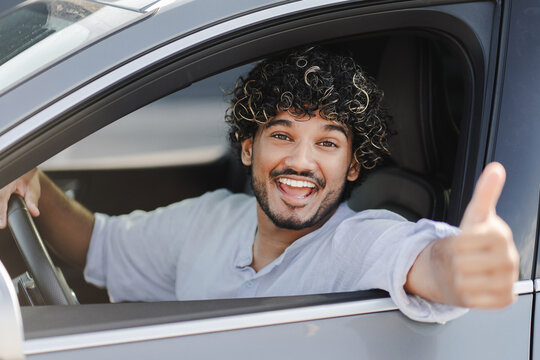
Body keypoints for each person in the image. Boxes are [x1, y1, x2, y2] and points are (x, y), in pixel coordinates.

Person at [0, 47, 518, 323]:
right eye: (281, 135)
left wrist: (462, 266)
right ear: (249, 148)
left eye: (328, 144)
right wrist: (31, 176)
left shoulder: (357, 243)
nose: (300, 162)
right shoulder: (210, 219)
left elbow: (423, 261)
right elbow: (95, 244)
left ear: (354, 166)